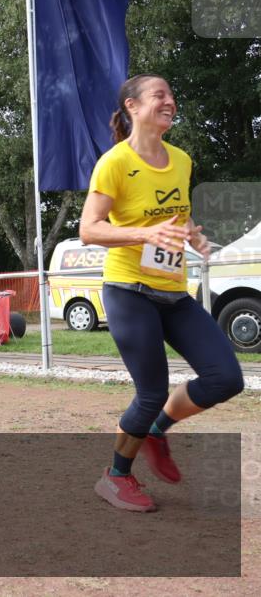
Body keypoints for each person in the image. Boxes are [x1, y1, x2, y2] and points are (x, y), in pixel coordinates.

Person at [80, 74, 244, 512]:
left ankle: (155, 430)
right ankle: (115, 476)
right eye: (160, 95)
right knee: (150, 390)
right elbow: (89, 229)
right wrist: (144, 233)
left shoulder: (181, 160)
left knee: (226, 377)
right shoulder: (114, 162)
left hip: (172, 291)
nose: (170, 101)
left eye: (172, 95)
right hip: (129, 290)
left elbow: (178, 216)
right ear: (133, 106)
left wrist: (192, 237)